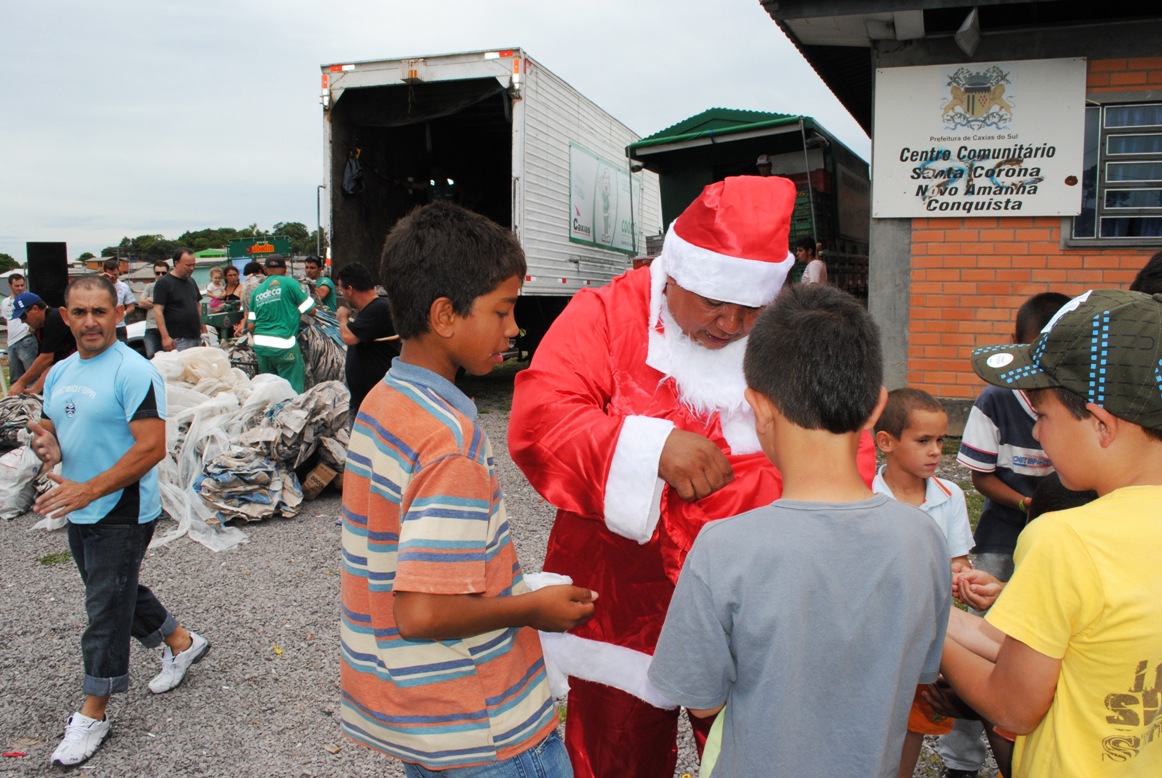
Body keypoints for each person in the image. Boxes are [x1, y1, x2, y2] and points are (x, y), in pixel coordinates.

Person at [508, 176, 879, 777]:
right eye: (712, 302)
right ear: (674, 272)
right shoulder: (605, 314)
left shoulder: (792, 334)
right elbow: (538, 421)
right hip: (619, 590)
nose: (731, 323)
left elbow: (843, 447)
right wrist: (649, 447)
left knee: (752, 753)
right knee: (614, 755)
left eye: (749, 307)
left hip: (755, 597)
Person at [647, 283, 951, 777]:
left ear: (758, 408)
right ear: (876, 407)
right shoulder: (924, 539)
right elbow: (919, 669)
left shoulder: (724, 547)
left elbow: (700, 700)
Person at [340, 201, 596, 775]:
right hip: (490, 730)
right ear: (445, 315)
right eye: (503, 311)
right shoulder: (448, 441)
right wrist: (533, 607)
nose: (513, 328)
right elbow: (424, 612)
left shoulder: (384, 402)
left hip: (427, 723)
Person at [940, 288, 1162, 778]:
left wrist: (930, 637)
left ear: (1101, 425)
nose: (1037, 434)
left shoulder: (1068, 538)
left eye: (1042, 416)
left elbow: (1013, 706)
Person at [27, 275, 210, 768]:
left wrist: (88, 488)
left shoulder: (132, 371)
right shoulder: (62, 371)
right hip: (78, 504)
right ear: (65, 317)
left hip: (120, 509)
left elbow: (151, 447)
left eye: (100, 312)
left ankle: (94, 713)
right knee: (115, 592)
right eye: (80, 312)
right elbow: (52, 427)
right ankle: (182, 642)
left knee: (104, 610)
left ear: (118, 315)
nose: (90, 322)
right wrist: (44, 443)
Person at [940, 290, 1069, 778]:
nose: (1038, 434)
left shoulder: (1070, 542)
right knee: (990, 636)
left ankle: (1011, 754)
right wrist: (1026, 504)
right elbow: (980, 475)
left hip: (1046, 526)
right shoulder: (995, 399)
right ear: (1014, 342)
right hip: (1005, 531)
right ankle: (961, 761)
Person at [871, 387, 973, 778]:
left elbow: (958, 562)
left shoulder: (951, 496)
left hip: (928, 635)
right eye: (923, 440)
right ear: (886, 442)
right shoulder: (864, 495)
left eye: (941, 441)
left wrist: (962, 579)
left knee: (914, 721)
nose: (936, 451)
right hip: (877, 633)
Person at [335, 262, 398, 421]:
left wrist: (342, 317)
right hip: (363, 402)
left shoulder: (379, 308)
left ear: (350, 289)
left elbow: (349, 337)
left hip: (376, 406)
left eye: (341, 289)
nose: (342, 294)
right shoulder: (367, 312)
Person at [247, 255, 314, 392]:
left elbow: (250, 326)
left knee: (270, 389)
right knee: (291, 391)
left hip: (261, 346)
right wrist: (296, 309)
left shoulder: (256, 292)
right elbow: (311, 310)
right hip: (284, 344)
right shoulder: (289, 283)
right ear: (285, 269)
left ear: (265, 270)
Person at [6, 292, 77, 395]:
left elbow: (46, 358)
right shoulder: (41, 330)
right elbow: (48, 364)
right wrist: (34, 390)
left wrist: (21, 383)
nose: (22, 321)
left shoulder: (54, 318)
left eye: (23, 316)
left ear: (35, 309)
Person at [152, 248, 204, 352]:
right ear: (176, 263)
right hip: (177, 339)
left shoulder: (191, 281)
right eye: (188, 265)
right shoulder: (164, 283)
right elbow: (157, 311)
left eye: (193, 265)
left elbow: (197, 305)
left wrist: (203, 328)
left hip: (195, 336)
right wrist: (165, 337)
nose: (191, 268)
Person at [1, 273, 38, 383]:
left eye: (22, 285)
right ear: (10, 286)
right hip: (12, 341)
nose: (20, 288)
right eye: (17, 286)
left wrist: (31, 331)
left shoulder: (30, 299)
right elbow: (7, 319)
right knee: (15, 378)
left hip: (26, 339)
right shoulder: (5, 302)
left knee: (31, 376)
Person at [136, 262, 170, 358]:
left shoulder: (171, 286)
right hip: (151, 327)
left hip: (168, 327)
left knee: (169, 358)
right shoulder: (150, 286)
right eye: (157, 273)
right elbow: (141, 303)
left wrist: (152, 300)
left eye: (163, 273)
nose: (160, 275)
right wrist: (159, 302)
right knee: (152, 356)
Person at [100, 259, 136, 343]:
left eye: (116, 275)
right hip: (104, 326)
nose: (114, 277)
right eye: (111, 275)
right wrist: (101, 278)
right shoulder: (99, 286)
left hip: (119, 326)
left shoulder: (124, 286)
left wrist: (124, 313)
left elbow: (131, 306)